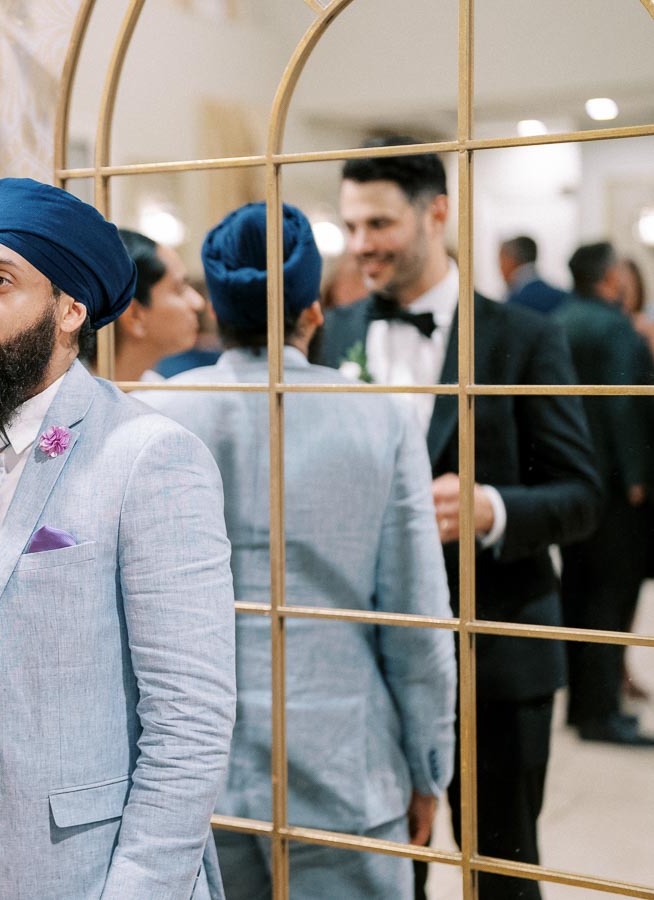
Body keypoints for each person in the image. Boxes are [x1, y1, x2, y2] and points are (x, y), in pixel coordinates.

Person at [0, 178, 237, 899]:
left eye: (0, 280)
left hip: (80, 865)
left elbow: (189, 722)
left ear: (70, 310)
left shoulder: (149, 455)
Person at [143, 202, 456, 899]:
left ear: (216, 310)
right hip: (346, 770)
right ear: (313, 311)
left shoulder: (155, 413)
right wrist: (429, 767)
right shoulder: (381, 417)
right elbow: (417, 621)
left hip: (193, 778)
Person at [317, 138, 601, 900]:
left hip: (497, 652)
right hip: (368, 661)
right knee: (380, 873)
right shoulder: (335, 334)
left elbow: (583, 494)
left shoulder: (524, 338)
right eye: (352, 226)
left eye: (379, 223)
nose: (361, 244)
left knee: (501, 870)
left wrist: (492, 509)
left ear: (436, 213)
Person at [553, 242, 654, 745]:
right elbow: (623, 404)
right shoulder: (615, 326)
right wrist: (637, 477)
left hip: (572, 478)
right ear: (610, 276)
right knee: (610, 597)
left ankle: (582, 706)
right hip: (613, 487)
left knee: (578, 590)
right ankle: (601, 713)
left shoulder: (559, 320)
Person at [110, 228, 206, 380]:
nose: (198, 303)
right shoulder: (74, 392)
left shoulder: (156, 387)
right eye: (180, 289)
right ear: (134, 315)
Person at [499, 235, 569, 314]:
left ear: (510, 260)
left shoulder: (513, 304)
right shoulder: (564, 298)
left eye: (501, 262)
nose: (500, 268)